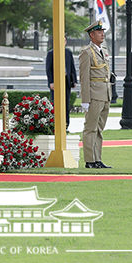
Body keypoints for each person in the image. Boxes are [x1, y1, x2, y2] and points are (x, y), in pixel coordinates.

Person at [78, 20, 113, 169]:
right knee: (90, 128)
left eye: (103, 31)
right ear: (92, 35)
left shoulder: (103, 50)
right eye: (99, 32)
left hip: (105, 93)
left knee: (99, 129)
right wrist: (85, 99)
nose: (102, 34)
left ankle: (97, 159)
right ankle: (89, 160)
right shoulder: (86, 52)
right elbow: (84, 77)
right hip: (94, 94)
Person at [45, 46, 77, 130]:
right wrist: (51, 82)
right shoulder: (51, 53)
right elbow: (48, 69)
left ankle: (66, 125)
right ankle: (54, 124)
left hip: (66, 81)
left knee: (66, 103)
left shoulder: (68, 52)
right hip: (55, 82)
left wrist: (74, 81)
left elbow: (72, 67)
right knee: (55, 103)